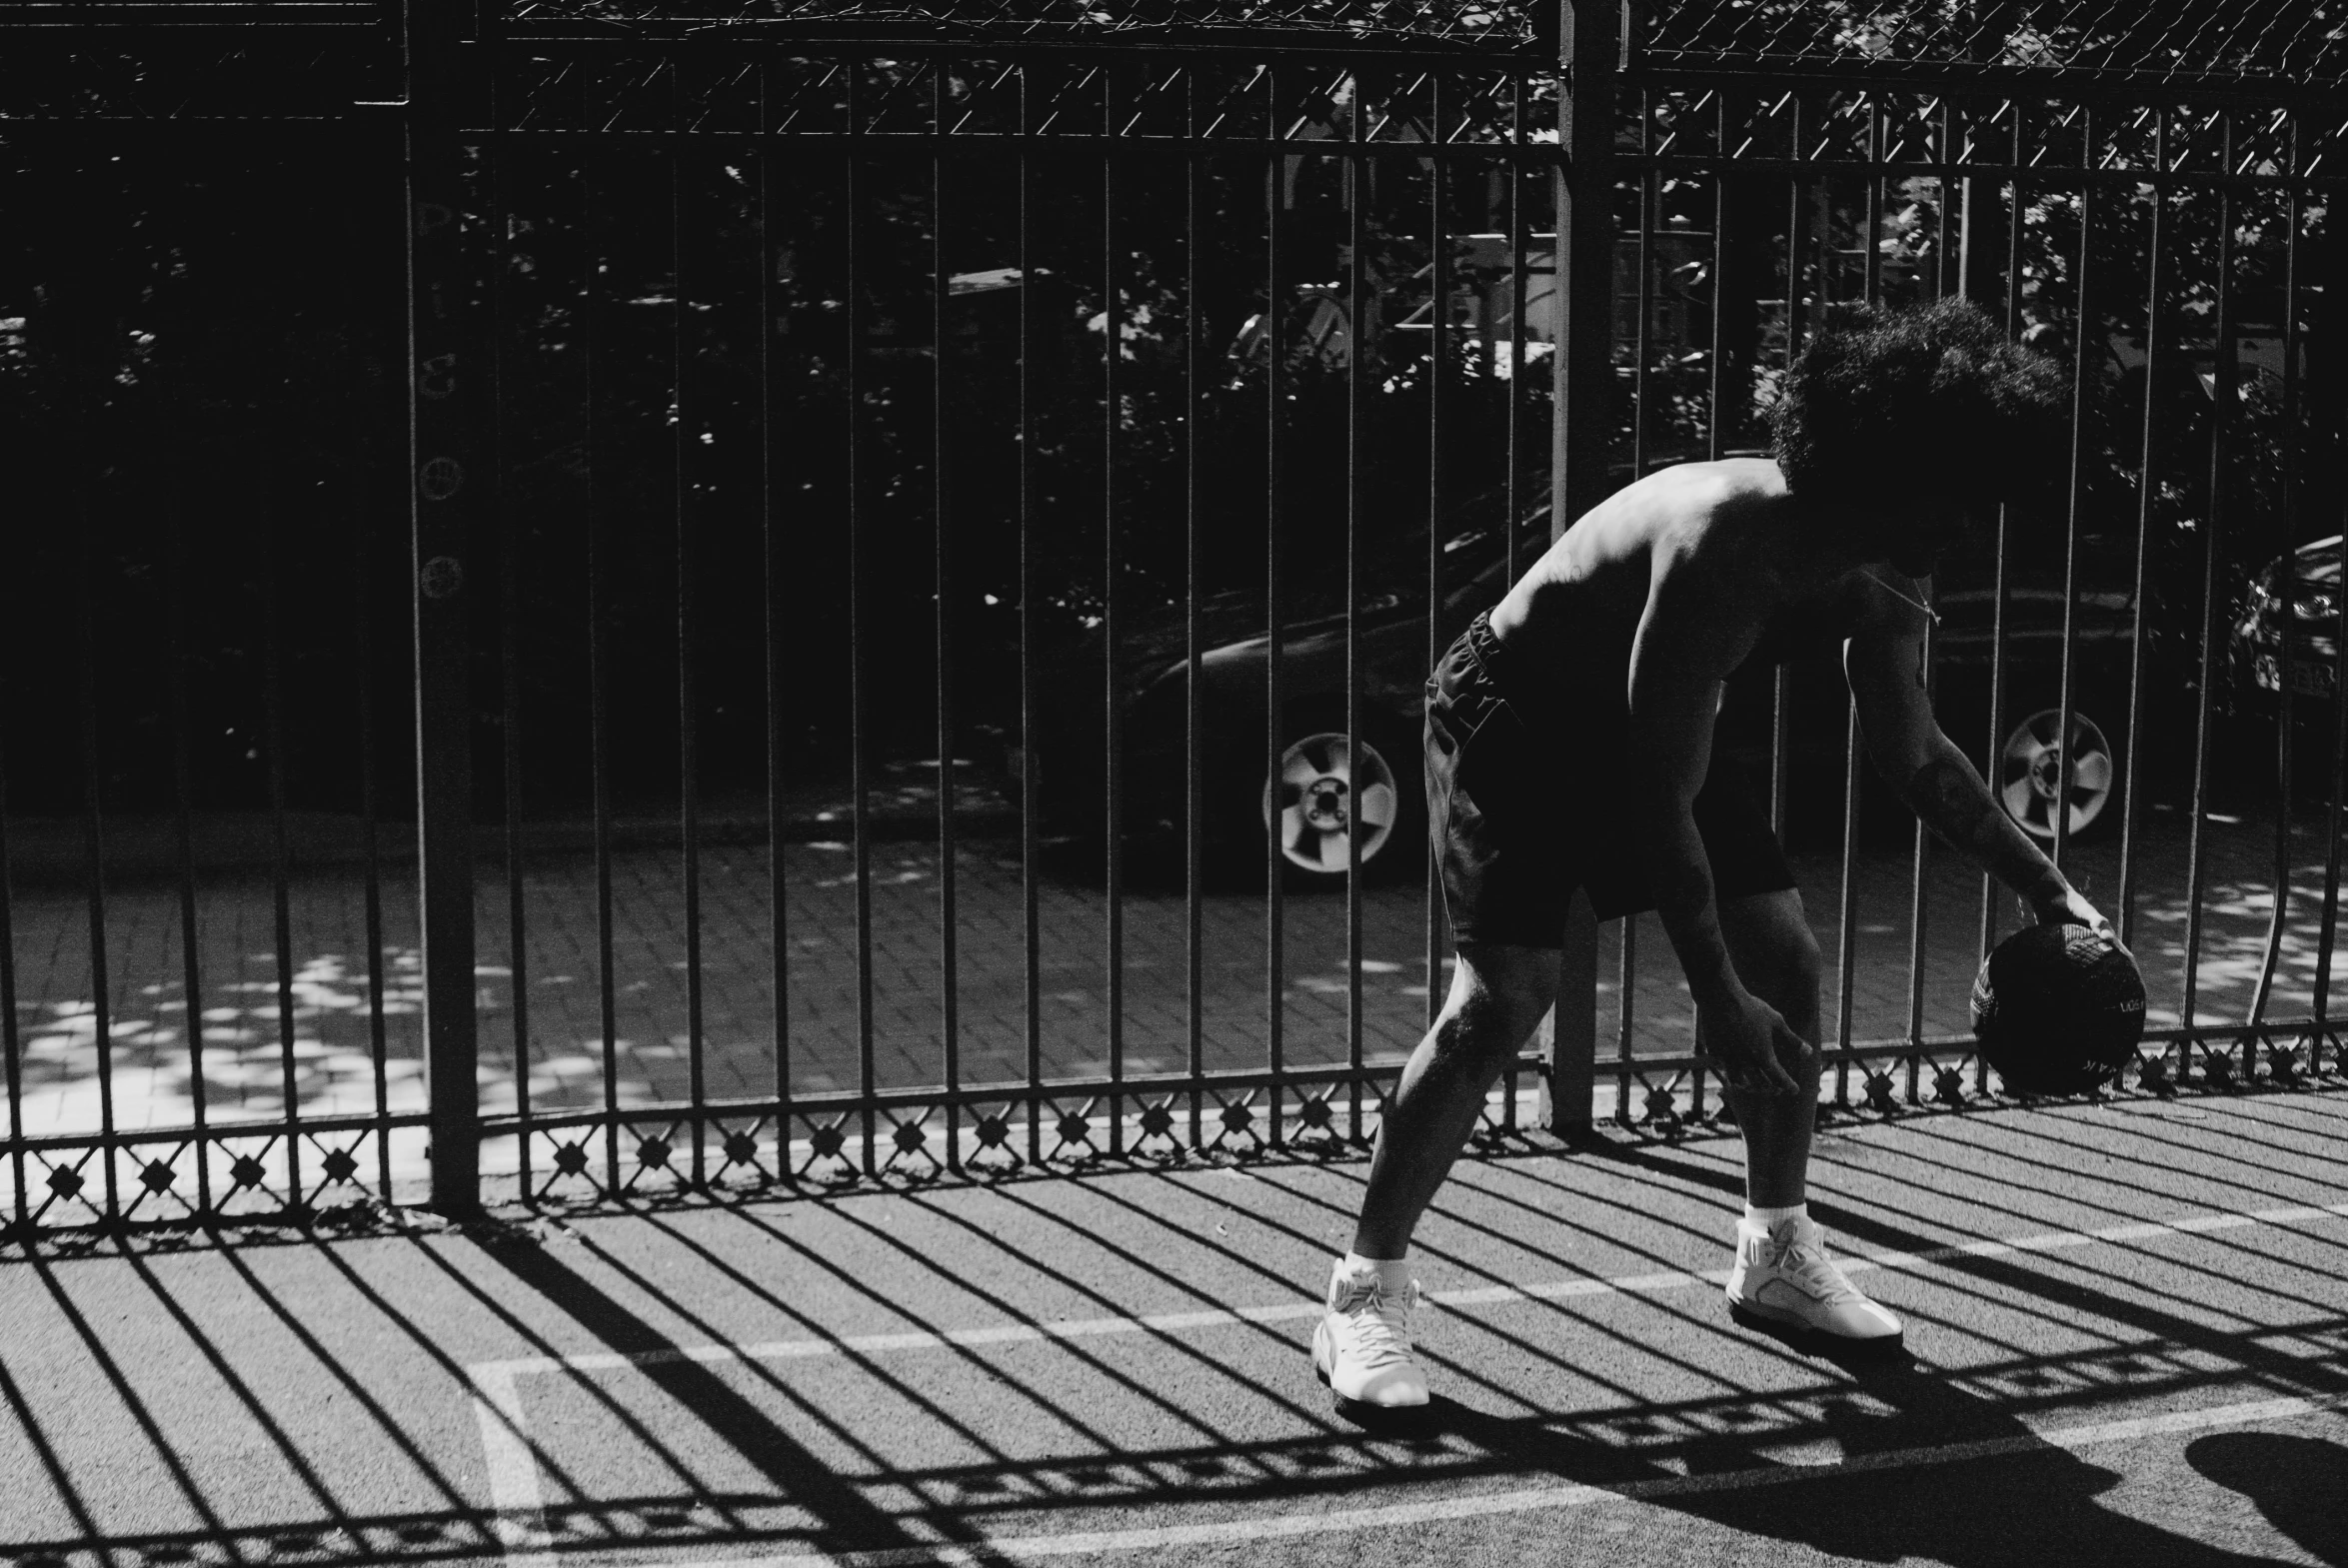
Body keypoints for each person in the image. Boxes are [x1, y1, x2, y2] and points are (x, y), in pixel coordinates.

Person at [1312, 298, 2127, 1413]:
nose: (1974, 522)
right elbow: (1658, 809)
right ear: (1883, 470)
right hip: (1520, 713)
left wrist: (2049, 888)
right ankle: (1363, 1292)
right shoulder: (1725, 551)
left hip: (1652, 730)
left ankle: (1774, 1251)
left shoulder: (1892, 560)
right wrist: (1715, 1002)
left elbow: (1915, 752)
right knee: (1504, 1001)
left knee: (1786, 960)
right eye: (1956, 494)